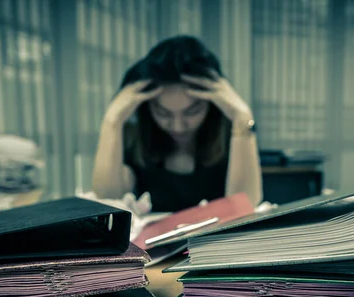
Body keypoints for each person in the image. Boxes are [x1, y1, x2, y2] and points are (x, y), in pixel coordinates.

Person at [92, 35, 262, 212]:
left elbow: (245, 206)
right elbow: (108, 200)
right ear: (147, 106)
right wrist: (111, 121)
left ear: (211, 103)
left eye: (192, 111)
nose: (178, 126)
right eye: (163, 113)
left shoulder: (234, 134)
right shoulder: (135, 137)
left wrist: (242, 116)